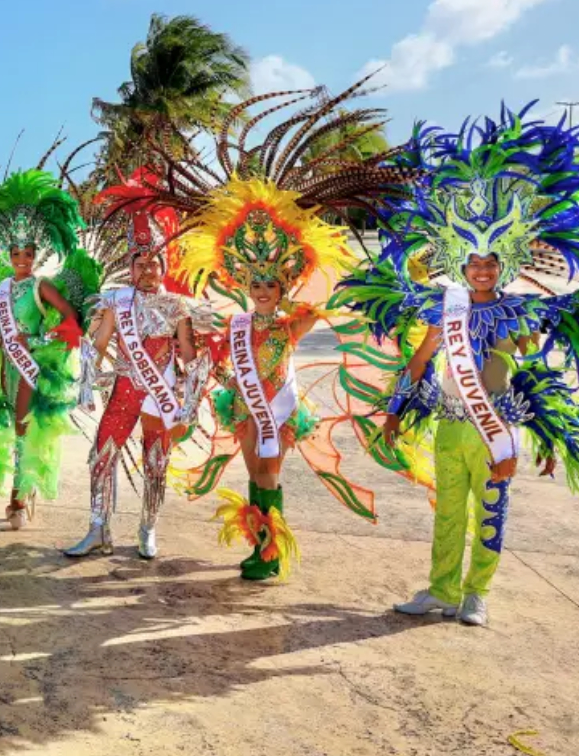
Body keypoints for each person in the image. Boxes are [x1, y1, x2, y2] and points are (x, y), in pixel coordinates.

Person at [108, 81, 407, 578]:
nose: (263, 289)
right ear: (245, 283)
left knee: (270, 470)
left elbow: (334, 301)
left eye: (271, 282)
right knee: (253, 472)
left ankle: (270, 552)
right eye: (256, 282)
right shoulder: (239, 320)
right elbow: (215, 349)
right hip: (246, 404)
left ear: (284, 283)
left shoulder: (291, 322)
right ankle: (260, 546)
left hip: (279, 406)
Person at [336, 105, 579, 624]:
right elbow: (421, 362)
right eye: (474, 262)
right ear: (460, 264)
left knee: (491, 515)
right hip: (449, 425)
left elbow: (533, 370)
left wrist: (548, 438)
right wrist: (398, 409)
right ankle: (441, 591)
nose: (483, 269)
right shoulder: (444, 309)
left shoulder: (517, 312)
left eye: (492, 262)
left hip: (497, 426)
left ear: (504, 264)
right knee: (448, 515)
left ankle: (476, 595)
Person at [71, 196, 205, 560]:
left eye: (153, 264)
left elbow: (189, 354)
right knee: (101, 455)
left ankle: (148, 527)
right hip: (124, 391)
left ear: (164, 267)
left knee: (156, 463)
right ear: (129, 267)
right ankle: (98, 529)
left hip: (158, 396)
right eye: (139, 263)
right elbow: (99, 342)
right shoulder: (117, 301)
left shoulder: (177, 306)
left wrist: (189, 399)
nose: (146, 271)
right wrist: (87, 378)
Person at [0, 170, 101, 529]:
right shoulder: (1, 287)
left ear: (35, 255)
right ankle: (23, 491)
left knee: (24, 426)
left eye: (28, 253)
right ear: (9, 254)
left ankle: (19, 494)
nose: (22, 258)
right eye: (16, 252)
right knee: (9, 426)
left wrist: (37, 340)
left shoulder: (41, 286)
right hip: (5, 366)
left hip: (32, 366)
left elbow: (71, 319)